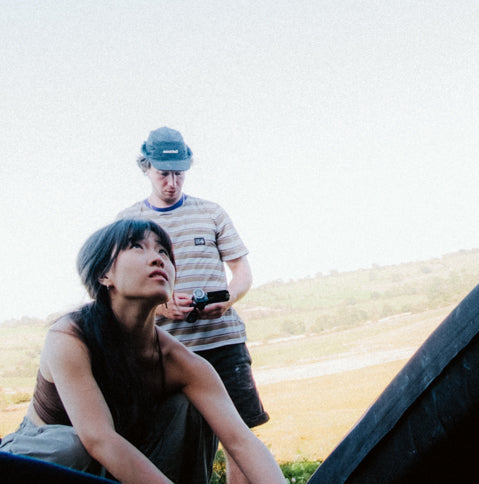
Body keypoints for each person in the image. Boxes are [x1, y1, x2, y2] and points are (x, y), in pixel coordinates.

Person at [0, 219, 284, 484]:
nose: (158, 258)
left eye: (163, 251)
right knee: (73, 446)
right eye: (137, 246)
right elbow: (99, 439)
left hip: (121, 453)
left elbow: (241, 441)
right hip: (38, 459)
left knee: (189, 408)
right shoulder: (70, 336)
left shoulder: (180, 362)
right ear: (103, 274)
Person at [115, 127, 268, 484]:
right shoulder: (127, 222)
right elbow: (118, 287)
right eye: (163, 173)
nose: (172, 183)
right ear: (146, 167)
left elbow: (242, 271)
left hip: (223, 345)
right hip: (164, 351)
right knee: (174, 442)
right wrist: (161, 308)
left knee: (239, 440)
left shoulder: (211, 212)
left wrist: (228, 298)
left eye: (179, 173)